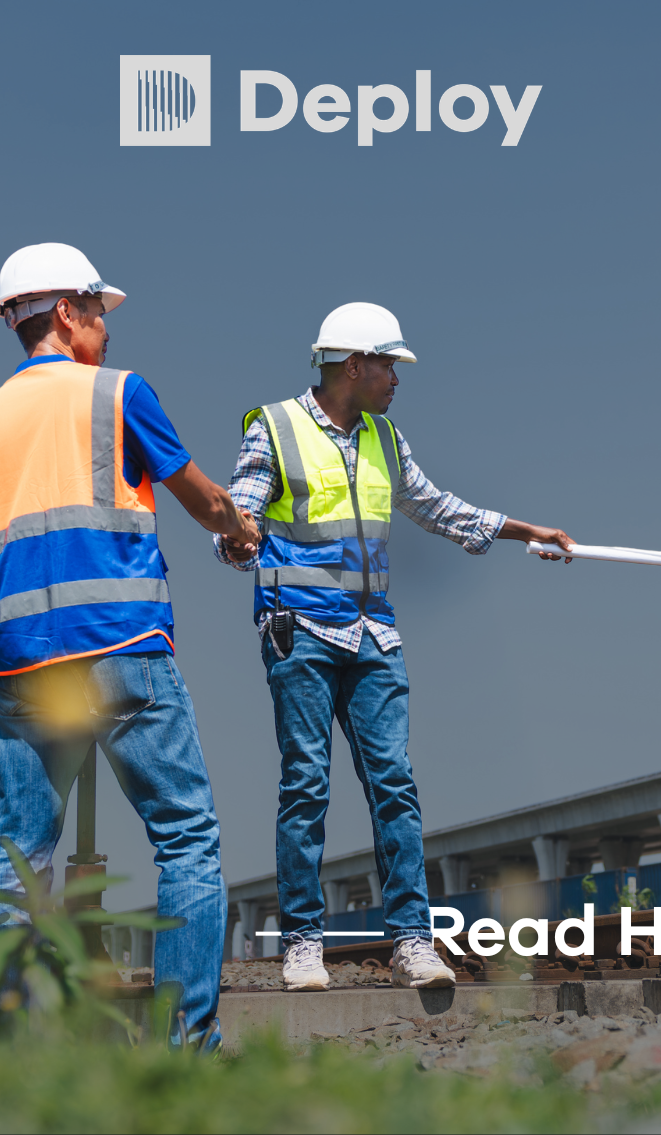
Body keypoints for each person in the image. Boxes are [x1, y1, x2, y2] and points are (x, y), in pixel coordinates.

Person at [215, 301, 572, 990]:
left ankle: (412, 940)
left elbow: (437, 507)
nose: (397, 378)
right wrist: (235, 539)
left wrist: (525, 531)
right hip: (300, 628)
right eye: (390, 364)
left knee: (395, 785)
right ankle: (303, 944)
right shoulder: (276, 428)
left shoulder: (385, 438)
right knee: (306, 783)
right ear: (355, 365)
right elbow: (240, 510)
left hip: (374, 631)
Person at [0, 243, 260, 1045]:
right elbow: (201, 498)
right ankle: (190, 1048)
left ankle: (18, 1047)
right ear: (68, 313)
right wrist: (241, 529)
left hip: (21, 660)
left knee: (15, 861)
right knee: (185, 838)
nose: (107, 333)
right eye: (98, 316)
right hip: (124, 646)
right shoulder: (120, 393)